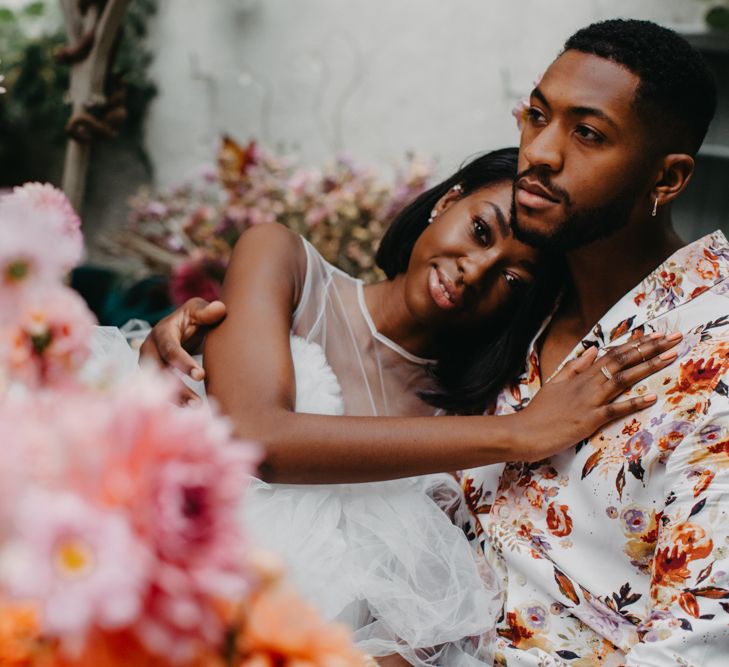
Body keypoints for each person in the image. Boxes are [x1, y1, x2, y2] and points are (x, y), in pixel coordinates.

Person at [141, 146, 680, 665]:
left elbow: (417, 624)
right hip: (154, 566)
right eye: (480, 231)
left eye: (513, 280)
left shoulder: (461, 425)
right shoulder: (285, 262)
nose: (477, 268)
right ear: (447, 201)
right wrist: (525, 431)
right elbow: (257, 439)